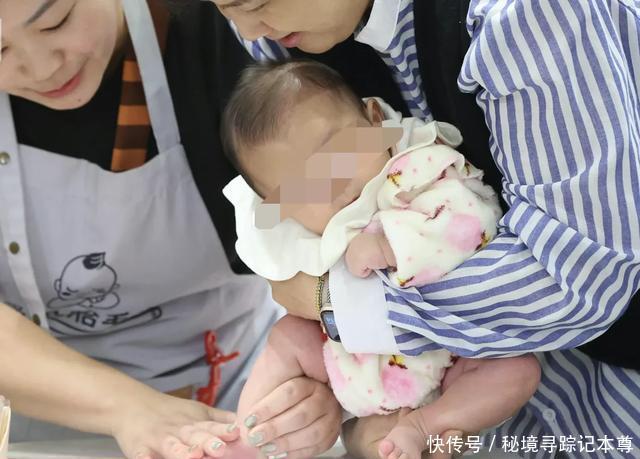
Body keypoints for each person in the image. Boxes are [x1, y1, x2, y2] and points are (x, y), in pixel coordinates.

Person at [209, 0, 640, 457]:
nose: (248, 31)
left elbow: (583, 277)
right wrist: (347, 410)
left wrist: (338, 303)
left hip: (607, 382)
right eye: (227, 10)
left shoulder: (520, 16)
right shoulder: (288, 37)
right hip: (475, 403)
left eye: (254, 4)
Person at [0, 1, 341, 458]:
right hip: (36, 413)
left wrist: (324, 367)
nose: (43, 67)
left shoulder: (226, 33)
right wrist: (128, 408)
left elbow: (340, 231)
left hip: (245, 398)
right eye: (0, 50)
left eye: (56, 22)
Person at [222, 59, 541, 459]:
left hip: (454, 358)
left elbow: (473, 220)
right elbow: (298, 299)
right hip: (351, 367)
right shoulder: (300, 228)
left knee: (517, 371)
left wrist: (391, 244)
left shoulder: (417, 166)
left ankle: (423, 426)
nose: (333, 186)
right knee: (287, 338)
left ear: (374, 119)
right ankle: (246, 437)